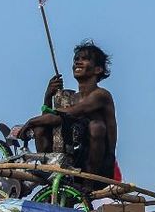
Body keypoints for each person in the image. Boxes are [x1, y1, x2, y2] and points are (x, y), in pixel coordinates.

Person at [11, 40, 118, 180]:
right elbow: (54, 119)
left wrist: (30, 122)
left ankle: (88, 182)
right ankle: (49, 170)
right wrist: (48, 97)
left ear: (98, 69)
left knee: (96, 127)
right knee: (42, 128)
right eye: (76, 59)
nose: (78, 63)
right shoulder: (71, 97)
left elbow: (70, 112)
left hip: (100, 166)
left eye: (84, 59)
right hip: (73, 159)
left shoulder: (101, 95)